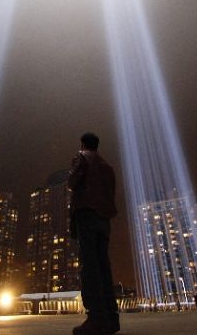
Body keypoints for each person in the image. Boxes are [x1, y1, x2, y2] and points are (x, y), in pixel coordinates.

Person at [68, 132, 119, 335]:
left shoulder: (81, 156)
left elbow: (72, 182)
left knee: (88, 265)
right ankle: (111, 319)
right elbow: (110, 192)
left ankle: (96, 319)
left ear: (83, 144)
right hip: (104, 218)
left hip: (86, 213)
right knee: (103, 266)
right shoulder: (107, 166)